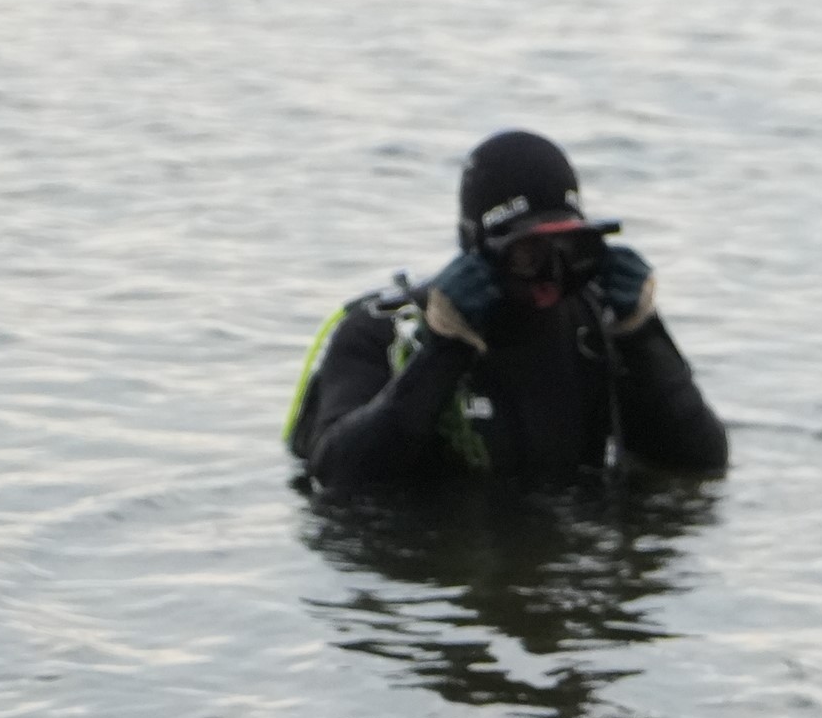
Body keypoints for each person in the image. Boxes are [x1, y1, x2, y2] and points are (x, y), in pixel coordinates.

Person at [289, 130, 727, 494]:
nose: (550, 280)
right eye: (527, 255)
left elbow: (702, 463)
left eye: (569, 251)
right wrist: (443, 351)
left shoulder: (592, 330)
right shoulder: (381, 335)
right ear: (474, 248)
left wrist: (642, 332)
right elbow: (337, 478)